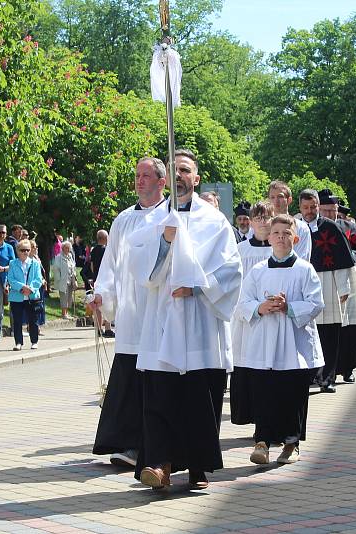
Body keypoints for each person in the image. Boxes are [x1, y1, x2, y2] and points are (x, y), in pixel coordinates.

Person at [128, 149, 242, 490]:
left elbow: (232, 270)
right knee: (161, 395)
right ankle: (160, 464)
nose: (179, 175)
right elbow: (140, 269)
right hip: (163, 320)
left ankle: (197, 467)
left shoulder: (215, 221)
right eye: (174, 169)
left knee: (198, 397)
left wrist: (198, 287)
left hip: (200, 322)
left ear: (196, 177)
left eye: (185, 170)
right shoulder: (152, 218)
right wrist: (165, 240)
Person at [91, 156, 168, 467]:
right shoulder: (123, 219)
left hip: (160, 307)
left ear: (162, 182)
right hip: (132, 312)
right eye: (137, 175)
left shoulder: (171, 215)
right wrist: (102, 294)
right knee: (129, 374)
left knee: (157, 377)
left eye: (146, 176)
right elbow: (110, 264)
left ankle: (155, 444)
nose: (139, 181)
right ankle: (126, 443)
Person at [234, 214, 324, 465]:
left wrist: (289, 308)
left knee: (292, 394)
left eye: (286, 233)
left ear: (295, 238)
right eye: (276, 233)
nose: (281, 238)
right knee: (263, 393)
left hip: (293, 344)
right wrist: (261, 307)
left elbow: (316, 303)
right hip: (264, 342)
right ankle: (262, 442)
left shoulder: (305, 270)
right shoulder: (258, 270)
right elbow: (243, 302)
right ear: (269, 237)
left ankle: (291, 443)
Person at [306, 189, 356, 393]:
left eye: (313, 207)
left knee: (330, 334)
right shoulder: (296, 226)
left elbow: (343, 259)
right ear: (300, 207)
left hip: (329, 282)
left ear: (317, 206)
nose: (310, 211)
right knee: (310, 335)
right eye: (305, 207)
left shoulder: (330, 227)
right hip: (305, 283)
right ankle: (312, 375)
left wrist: (344, 288)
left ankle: (328, 377)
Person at [230, 200, 275, 428]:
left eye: (266, 217)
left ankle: (269, 422)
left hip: (275, 318)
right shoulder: (241, 251)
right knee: (250, 369)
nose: (262, 223)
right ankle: (254, 416)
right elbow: (235, 287)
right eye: (257, 218)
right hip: (247, 319)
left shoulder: (279, 251)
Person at [320, 193, 356, 384]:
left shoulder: (351, 228)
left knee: (354, 329)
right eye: (325, 211)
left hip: (351, 282)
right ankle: (325, 372)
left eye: (333, 211)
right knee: (329, 331)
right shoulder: (314, 230)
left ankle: (348, 367)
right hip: (326, 285)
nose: (330, 214)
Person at [6, 239, 45, 351]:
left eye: (27, 250)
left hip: (32, 296)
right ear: (18, 251)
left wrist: (31, 289)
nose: (25, 252)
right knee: (17, 321)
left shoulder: (35, 263)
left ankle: (34, 341)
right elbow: (11, 279)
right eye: (23, 250)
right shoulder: (12, 263)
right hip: (17, 296)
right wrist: (22, 288)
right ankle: (18, 342)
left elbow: (38, 279)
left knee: (33, 320)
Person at [267, 181, 311, 260]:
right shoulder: (263, 226)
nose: (276, 201)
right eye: (272, 197)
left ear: (289, 200)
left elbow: (303, 257)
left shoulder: (301, 228)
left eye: (280, 197)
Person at [89, 229, 114, 337]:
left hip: (96, 279)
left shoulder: (93, 250)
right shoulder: (107, 250)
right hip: (106, 279)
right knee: (106, 302)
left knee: (97, 305)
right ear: (105, 238)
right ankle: (108, 328)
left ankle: (99, 328)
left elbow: (91, 265)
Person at [52, 241, 77, 319]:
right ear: (62, 248)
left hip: (70, 279)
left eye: (69, 248)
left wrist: (75, 279)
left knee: (69, 296)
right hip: (63, 280)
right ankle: (63, 314)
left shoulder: (70, 256)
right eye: (66, 247)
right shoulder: (58, 257)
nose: (68, 249)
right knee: (64, 297)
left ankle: (66, 313)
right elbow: (56, 269)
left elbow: (74, 268)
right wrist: (59, 279)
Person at [29, 241, 47, 327]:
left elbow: (41, 271)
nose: (35, 248)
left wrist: (43, 280)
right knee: (32, 306)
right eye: (33, 247)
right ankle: (31, 326)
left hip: (40, 284)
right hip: (32, 286)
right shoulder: (28, 260)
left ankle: (38, 325)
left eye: (36, 247)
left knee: (39, 305)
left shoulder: (37, 258)